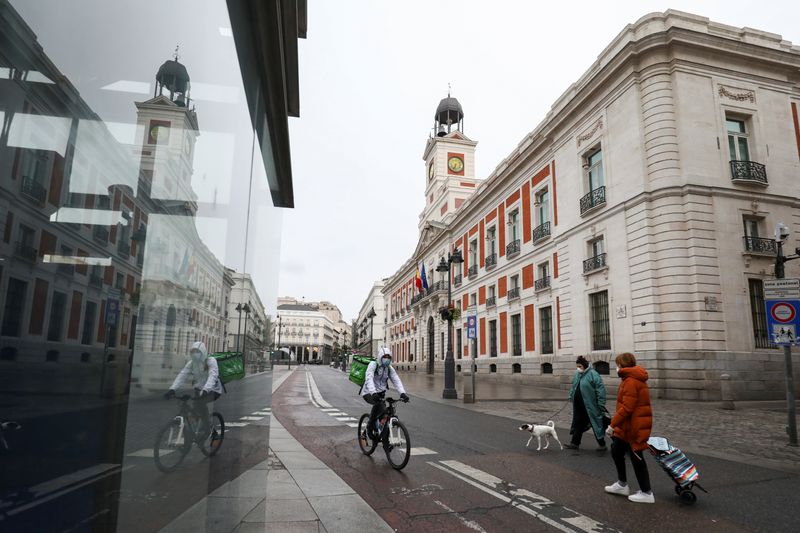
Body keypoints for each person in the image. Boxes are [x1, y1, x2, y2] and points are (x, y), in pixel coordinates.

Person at [604, 352, 654, 504]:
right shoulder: (630, 379)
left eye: (617, 364)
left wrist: (612, 424)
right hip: (627, 426)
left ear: (622, 365)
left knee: (636, 458)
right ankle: (622, 484)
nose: (616, 367)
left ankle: (647, 492)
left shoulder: (631, 381)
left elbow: (627, 408)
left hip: (634, 426)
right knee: (616, 450)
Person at [164, 341, 224, 435]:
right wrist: (172, 389)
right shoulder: (191, 363)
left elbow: (213, 376)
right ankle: (194, 432)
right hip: (199, 389)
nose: (195, 354)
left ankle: (207, 429)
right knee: (194, 409)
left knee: (201, 404)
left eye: (197, 351)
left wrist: (205, 390)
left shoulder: (210, 361)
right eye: (193, 352)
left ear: (203, 352)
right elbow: (182, 375)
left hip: (213, 390)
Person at [361, 346, 409, 439]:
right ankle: (368, 427)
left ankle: (379, 430)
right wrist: (373, 392)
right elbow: (369, 378)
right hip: (368, 392)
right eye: (385, 357)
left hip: (380, 393)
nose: (387, 359)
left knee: (385, 412)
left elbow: (396, 380)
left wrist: (402, 393)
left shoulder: (389, 368)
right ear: (380, 357)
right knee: (379, 405)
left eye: (388, 357)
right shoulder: (373, 364)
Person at [565, 356, 607, 451]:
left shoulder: (593, 374)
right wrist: (571, 396)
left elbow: (600, 389)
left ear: (584, 366)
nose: (578, 368)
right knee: (578, 423)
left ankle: (602, 444)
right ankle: (574, 443)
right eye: (577, 366)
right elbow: (574, 386)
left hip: (591, 406)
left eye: (579, 366)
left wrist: (601, 403)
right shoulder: (577, 374)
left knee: (596, 424)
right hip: (579, 406)